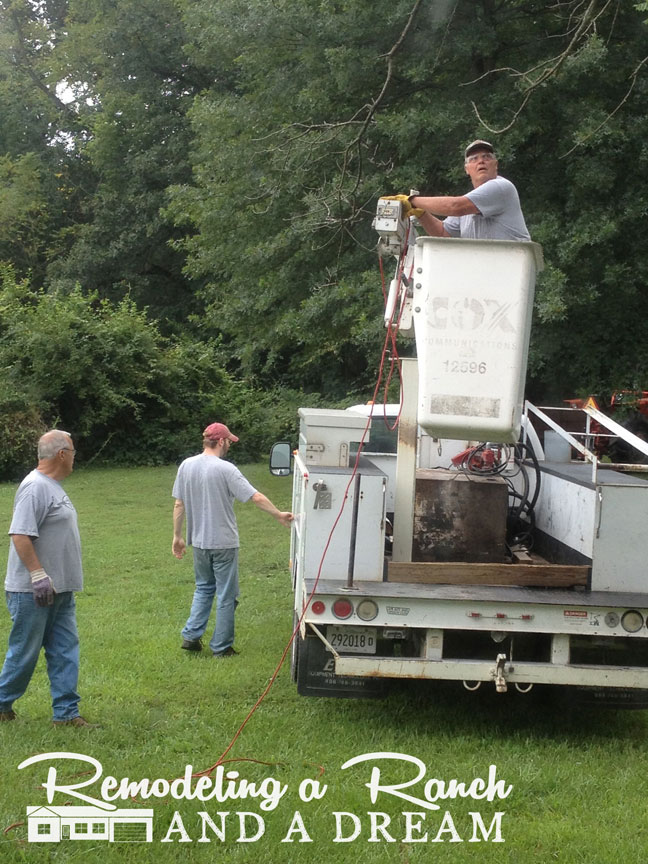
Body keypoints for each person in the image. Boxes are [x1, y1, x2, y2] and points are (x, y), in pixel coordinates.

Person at [172, 422, 293, 658]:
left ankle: (191, 636)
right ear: (220, 442)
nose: (229, 446)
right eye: (228, 441)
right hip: (224, 542)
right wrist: (278, 514)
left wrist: (177, 536)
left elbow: (179, 503)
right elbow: (255, 497)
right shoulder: (226, 469)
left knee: (203, 588)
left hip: (198, 542)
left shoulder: (186, 466)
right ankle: (222, 647)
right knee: (227, 594)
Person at [0, 430, 93, 727]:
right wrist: (38, 575)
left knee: (65, 650)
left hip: (60, 590)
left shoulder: (52, 486)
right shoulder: (34, 487)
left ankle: (66, 715)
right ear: (62, 454)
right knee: (24, 654)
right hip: (33, 592)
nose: (75, 458)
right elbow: (20, 534)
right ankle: (1, 703)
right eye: (74, 452)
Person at [387, 139, 530, 241]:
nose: (481, 161)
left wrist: (412, 201)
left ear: (496, 165)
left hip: (509, 272)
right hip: (484, 273)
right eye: (474, 159)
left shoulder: (501, 187)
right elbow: (443, 232)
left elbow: (455, 206)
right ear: (467, 169)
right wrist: (421, 213)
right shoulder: (469, 203)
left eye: (487, 157)